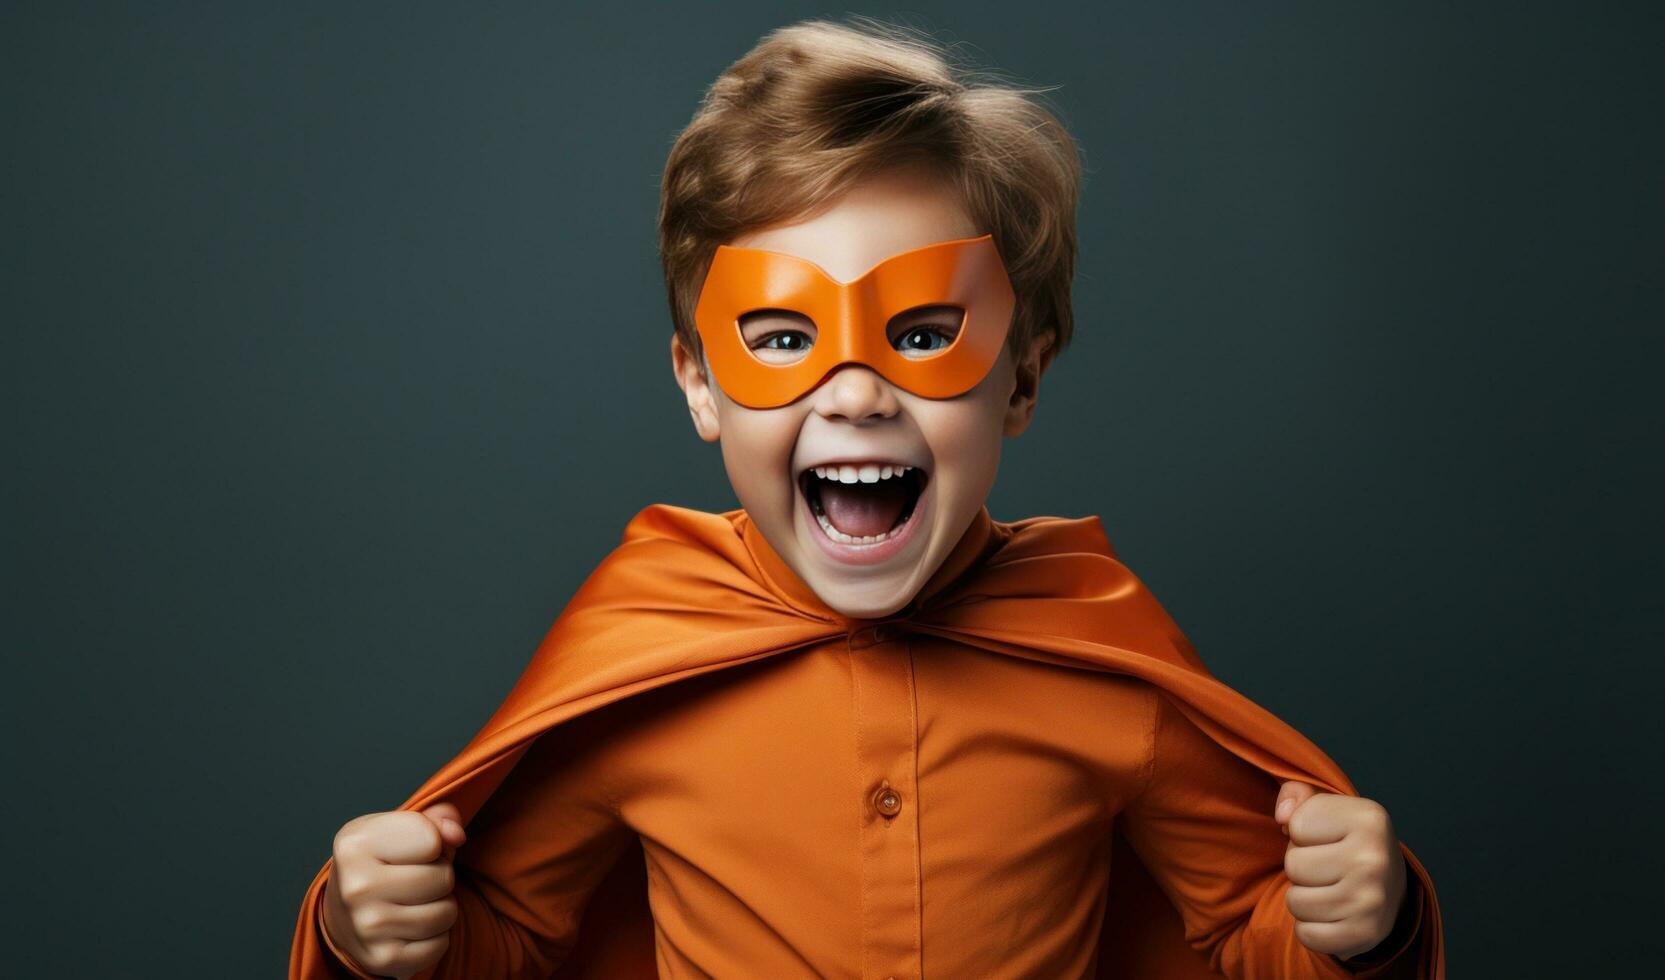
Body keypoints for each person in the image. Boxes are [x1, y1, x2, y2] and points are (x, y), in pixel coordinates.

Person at [290, 16, 1444, 979]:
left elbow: (1251, 930)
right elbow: (511, 942)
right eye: (783, 335)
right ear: (701, 380)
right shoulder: (639, 658)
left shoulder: (1102, 654)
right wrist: (378, 930)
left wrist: (1357, 918)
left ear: (1023, 374)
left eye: (924, 334)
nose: (854, 394)